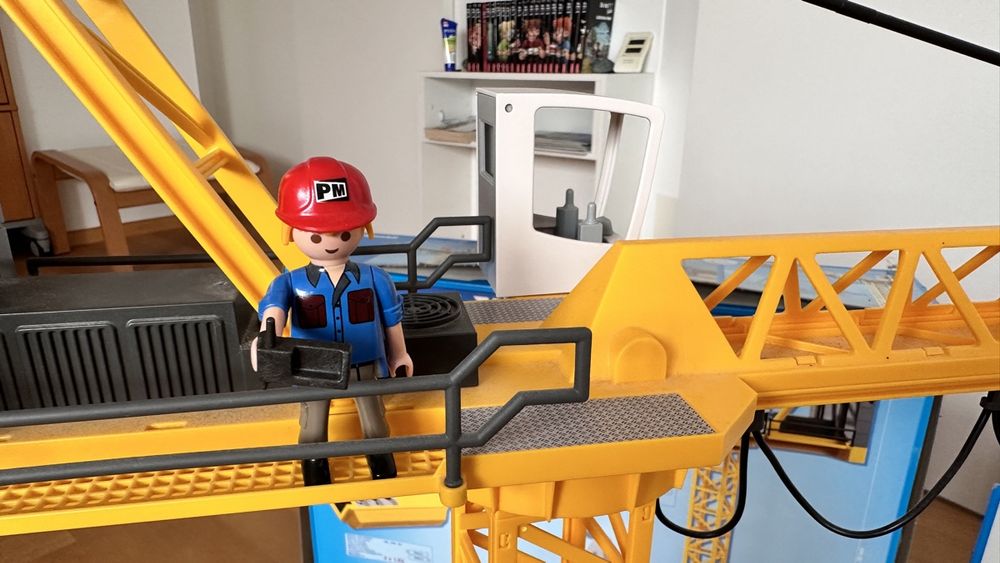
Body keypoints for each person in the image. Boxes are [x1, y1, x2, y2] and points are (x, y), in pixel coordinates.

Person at [251, 156, 413, 485]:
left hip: (364, 362)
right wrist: (267, 334)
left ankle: (382, 466)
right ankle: (315, 470)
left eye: (343, 233)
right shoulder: (290, 281)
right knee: (313, 422)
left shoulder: (375, 277)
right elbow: (273, 308)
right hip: (313, 364)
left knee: (374, 419)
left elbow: (391, 319)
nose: (330, 243)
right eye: (316, 236)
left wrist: (399, 354)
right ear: (291, 231)